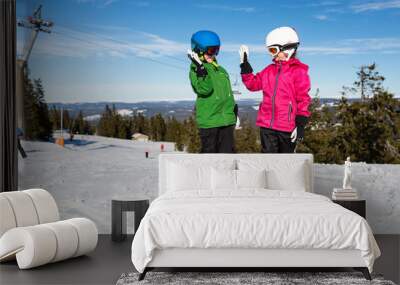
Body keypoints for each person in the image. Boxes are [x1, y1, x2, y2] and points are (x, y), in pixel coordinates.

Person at [239, 27, 311, 153]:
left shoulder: (298, 71)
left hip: (286, 127)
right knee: (268, 161)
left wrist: (300, 124)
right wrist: (245, 66)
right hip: (267, 126)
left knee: (285, 163)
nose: (272, 55)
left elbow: (303, 99)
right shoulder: (269, 70)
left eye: (273, 50)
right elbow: (253, 84)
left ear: (287, 48)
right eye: (269, 50)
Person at [187, 30, 237, 153]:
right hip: (210, 123)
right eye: (210, 50)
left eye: (216, 50)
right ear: (198, 50)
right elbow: (204, 89)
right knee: (209, 159)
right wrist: (201, 70)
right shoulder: (195, 70)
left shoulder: (221, 70)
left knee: (227, 158)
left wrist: (233, 113)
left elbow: (228, 95)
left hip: (227, 122)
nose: (213, 54)